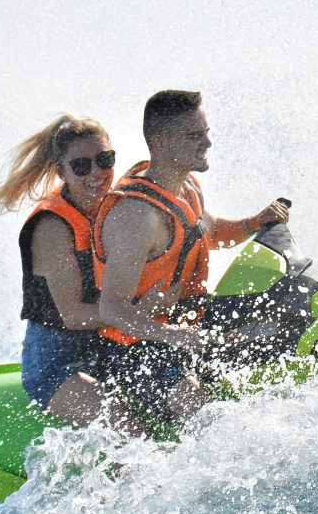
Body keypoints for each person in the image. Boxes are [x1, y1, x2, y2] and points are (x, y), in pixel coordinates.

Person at [94, 90, 290, 425]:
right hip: (135, 349)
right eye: (194, 136)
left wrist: (254, 223)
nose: (207, 143)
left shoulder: (186, 186)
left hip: (188, 317)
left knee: (287, 306)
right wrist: (176, 336)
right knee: (201, 409)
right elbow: (111, 309)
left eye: (206, 133)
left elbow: (208, 232)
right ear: (159, 143)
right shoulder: (136, 218)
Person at [0, 114, 148, 433]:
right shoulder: (52, 228)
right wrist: (140, 313)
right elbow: (73, 315)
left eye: (105, 160)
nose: (96, 173)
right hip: (55, 367)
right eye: (81, 166)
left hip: (105, 347)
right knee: (129, 429)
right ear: (61, 171)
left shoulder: (118, 207)